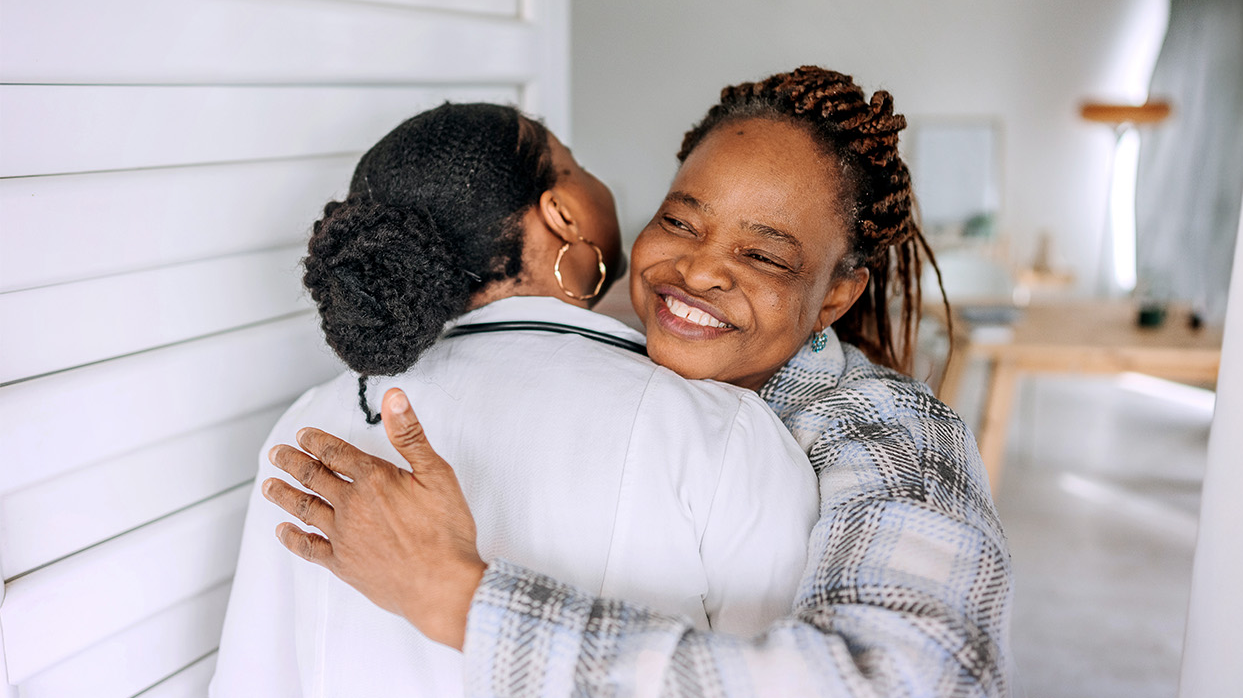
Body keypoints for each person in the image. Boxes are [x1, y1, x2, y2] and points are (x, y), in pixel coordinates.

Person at [265, 67, 1014, 696]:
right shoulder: (637, 353)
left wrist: (454, 597)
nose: (698, 270)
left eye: (765, 257)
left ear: (836, 299)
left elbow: (910, 679)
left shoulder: (896, 435)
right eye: (681, 223)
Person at [211, 103, 819, 697]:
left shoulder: (306, 431)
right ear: (563, 214)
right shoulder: (720, 432)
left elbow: (249, 680)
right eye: (579, 166)